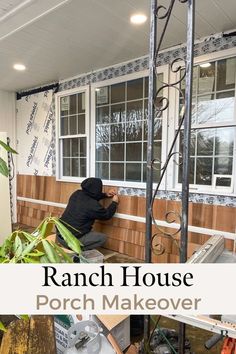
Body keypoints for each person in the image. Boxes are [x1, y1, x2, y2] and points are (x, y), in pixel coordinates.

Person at [56, 177, 119, 250]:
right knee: (102, 238)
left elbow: (90, 196)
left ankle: (70, 246)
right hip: (70, 240)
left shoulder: (77, 193)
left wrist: (105, 194)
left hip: (60, 235)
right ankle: (76, 249)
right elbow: (107, 215)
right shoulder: (93, 205)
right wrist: (114, 203)